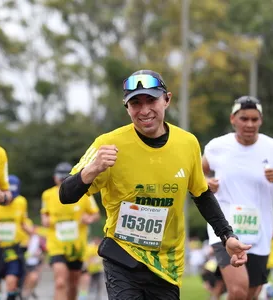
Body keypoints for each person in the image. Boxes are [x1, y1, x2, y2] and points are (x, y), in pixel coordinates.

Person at [59, 69, 252, 300]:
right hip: (122, 256)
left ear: (167, 99)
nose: (144, 110)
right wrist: (92, 169)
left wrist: (227, 235)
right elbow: (65, 194)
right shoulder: (108, 144)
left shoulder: (187, 143)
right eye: (135, 103)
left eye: (151, 100)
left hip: (166, 263)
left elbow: (202, 195)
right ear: (126, 107)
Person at [202, 96, 273, 300]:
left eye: (255, 119)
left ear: (261, 120)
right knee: (238, 290)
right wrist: (206, 182)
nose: (250, 124)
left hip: (260, 232)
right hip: (225, 228)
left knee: (252, 293)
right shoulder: (217, 147)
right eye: (244, 118)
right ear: (233, 119)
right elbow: (195, 175)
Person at [41, 162, 100, 300]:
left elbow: (95, 215)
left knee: (73, 284)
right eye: (59, 177)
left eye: (64, 178)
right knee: (60, 282)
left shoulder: (84, 194)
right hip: (57, 245)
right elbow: (44, 217)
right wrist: (46, 221)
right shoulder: (48, 195)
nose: (61, 181)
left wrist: (88, 219)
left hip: (77, 246)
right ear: (55, 178)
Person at [0, 175, 30, 300]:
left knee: (12, 281)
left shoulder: (21, 202)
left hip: (13, 249)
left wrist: (32, 233)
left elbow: (23, 222)